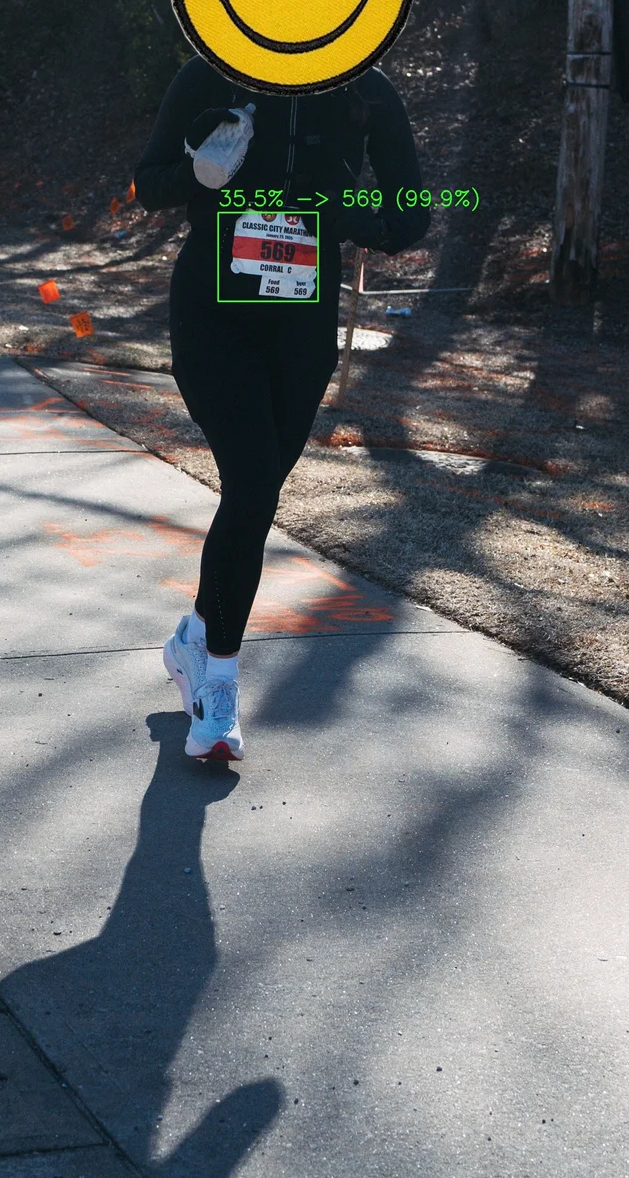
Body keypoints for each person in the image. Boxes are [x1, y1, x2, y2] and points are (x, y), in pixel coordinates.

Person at [135, 63, 430, 761]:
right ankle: (219, 693)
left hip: (300, 333)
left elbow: (412, 213)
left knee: (252, 498)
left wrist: (337, 213)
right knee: (253, 485)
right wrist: (195, 176)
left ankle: (195, 639)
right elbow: (147, 182)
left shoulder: (365, 93)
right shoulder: (209, 79)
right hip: (212, 315)